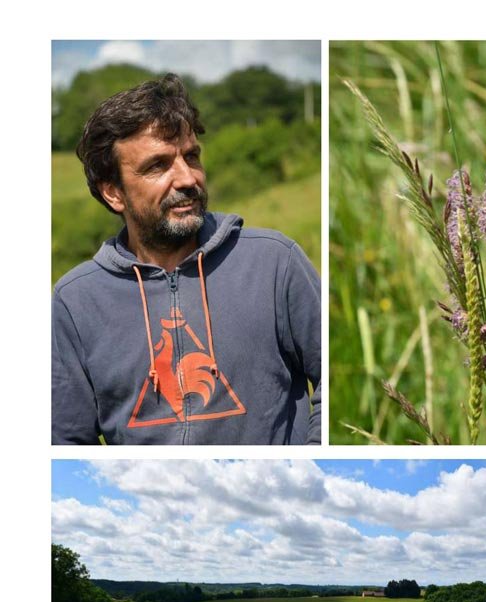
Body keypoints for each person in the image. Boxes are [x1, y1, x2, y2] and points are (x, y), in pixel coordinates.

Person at [52, 74, 321, 444]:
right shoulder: (75, 302)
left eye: (191, 156)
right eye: (158, 166)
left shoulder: (276, 263)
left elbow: (331, 377)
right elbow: (64, 440)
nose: (187, 178)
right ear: (114, 193)